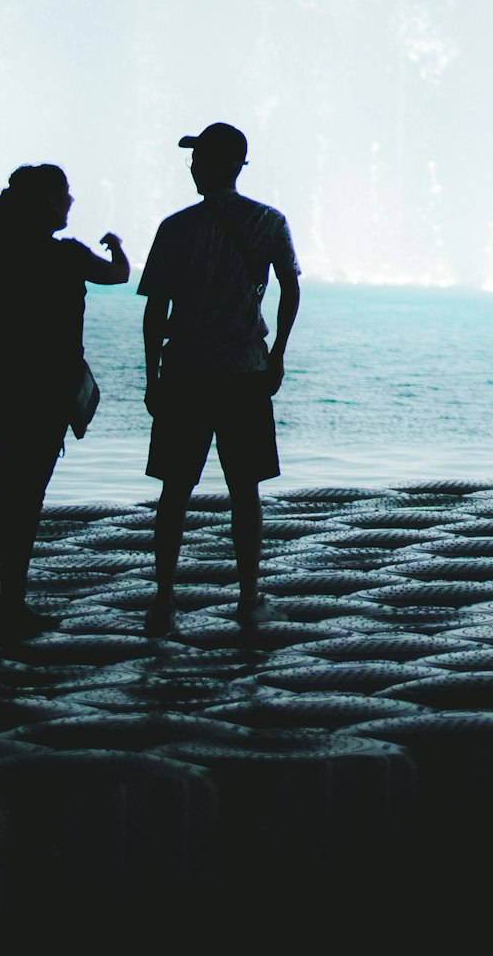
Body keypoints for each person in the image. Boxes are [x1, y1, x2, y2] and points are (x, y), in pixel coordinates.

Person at [0, 166, 129, 637]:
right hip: (48, 387)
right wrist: (119, 247)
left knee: (2, 482)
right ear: (49, 203)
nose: (72, 202)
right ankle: (10, 601)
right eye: (65, 195)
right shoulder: (68, 256)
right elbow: (118, 275)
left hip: (4, 382)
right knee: (28, 495)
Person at [140, 122, 301, 618]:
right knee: (244, 489)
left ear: (216, 164)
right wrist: (277, 357)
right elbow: (291, 290)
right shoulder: (269, 222)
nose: (192, 166)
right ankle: (249, 594)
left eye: (198, 158)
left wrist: (152, 377)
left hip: (185, 373)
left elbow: (154, 311)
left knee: (174, 492)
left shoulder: (175, 228)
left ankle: (164, 595)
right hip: (245, 373)